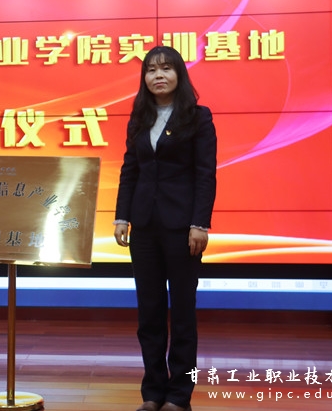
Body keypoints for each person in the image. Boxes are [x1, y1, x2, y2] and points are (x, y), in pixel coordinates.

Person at [113, 45, 217, 411]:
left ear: (179, 75)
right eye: (152, 70)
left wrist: (200, 223)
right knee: (150, 312)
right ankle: (153, 392)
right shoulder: (139, 117)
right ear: (144, 77)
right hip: (144, 226)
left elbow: (205, 174)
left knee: (183, 314)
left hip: (182, 227)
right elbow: (130, 169)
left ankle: (179, 395)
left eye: (166, 69)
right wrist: (121, 216)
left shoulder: (197, 117)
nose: (159, 75)